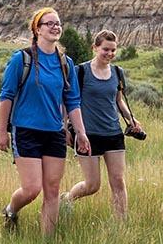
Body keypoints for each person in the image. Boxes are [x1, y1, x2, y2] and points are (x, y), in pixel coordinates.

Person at [0, 7, 91, 235]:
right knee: (31, 189)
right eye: (49, 23)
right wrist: (1, 131)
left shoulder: (65, 63)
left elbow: (73, 100)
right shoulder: (22, 59)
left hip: (55, 133)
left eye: (58, 23)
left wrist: (81, 133)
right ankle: (11, 210)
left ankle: (46, 242)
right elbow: (6, 95)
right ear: (37, 29)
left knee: (53, 189)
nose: (55, 27)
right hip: (26, 130)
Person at [61, 30, 144, 218]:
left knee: (118, 181)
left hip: (113, 133)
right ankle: (67, 198)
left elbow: (119, 100)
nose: (110, 54)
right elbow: (69, 101)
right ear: (95, 48)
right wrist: (64, 127)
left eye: (113, 50)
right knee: (92, 185)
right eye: (106, 49)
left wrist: (131, 119)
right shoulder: (80, 72)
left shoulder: (117, 72)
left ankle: (120, 225)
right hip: (87, 135)